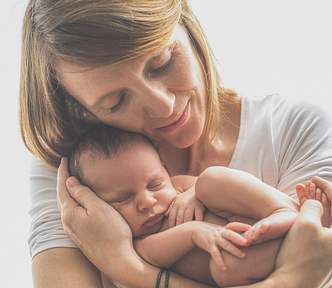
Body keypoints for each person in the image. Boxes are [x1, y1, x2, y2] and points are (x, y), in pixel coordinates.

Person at [19, 0, 332, 287]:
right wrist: (297, 277)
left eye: (162, 63)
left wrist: (127, 267)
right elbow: (304, 268)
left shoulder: (294, 129)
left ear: (187, 24)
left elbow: (309, 249)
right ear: (80, 107)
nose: (163, 106)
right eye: (116, 101)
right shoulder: (78, 170)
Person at [67, 124, 300, 286]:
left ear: (163, 166)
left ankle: (282, 210)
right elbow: (152, 257)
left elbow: (215, 188)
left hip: (257, 221)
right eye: (123, 199)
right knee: (225, 271)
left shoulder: (178, 186)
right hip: (250, 256)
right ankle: (303, 230)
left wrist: (194, 193)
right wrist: (194, 232)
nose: (148, 201)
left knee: (211, 180)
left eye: (156, 183)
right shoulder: (133, 245)